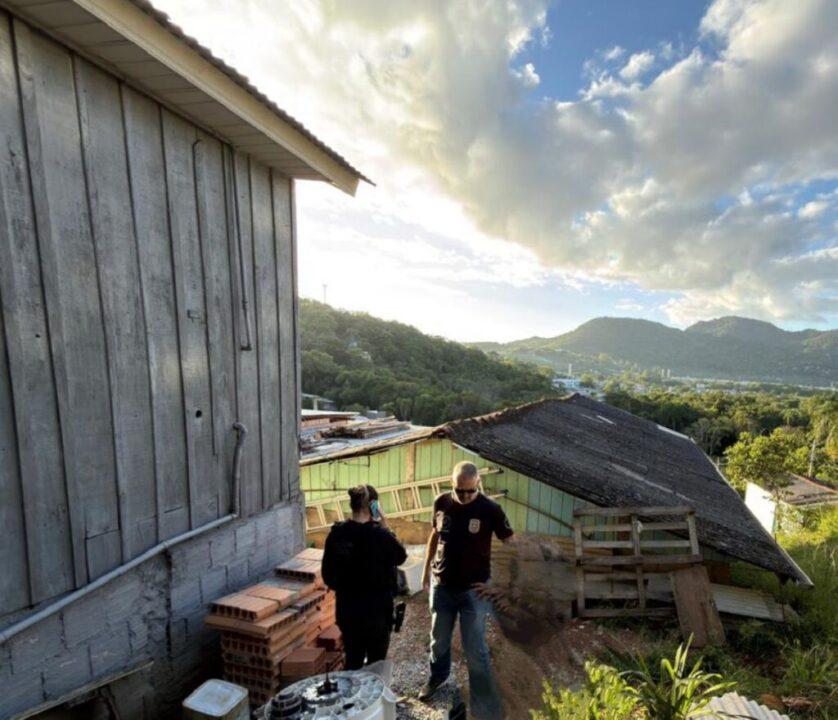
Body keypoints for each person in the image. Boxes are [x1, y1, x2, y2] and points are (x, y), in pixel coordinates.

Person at [419, 461, 513, 719]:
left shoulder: (491, 509)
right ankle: (437, 677)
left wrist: (500, 583)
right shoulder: (441, 502)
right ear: (452, 484)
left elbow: (511, 544)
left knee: (475, 647)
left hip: (475, 592)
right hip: (442, 587)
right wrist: (426, 570)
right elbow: (435, 536)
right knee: (438, 640)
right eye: (459, 490)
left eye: (470, 491)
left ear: (478, 484)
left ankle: (483, 701)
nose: (464, 496)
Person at [321, 484, 407, 670]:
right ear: (374, 506)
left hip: (348, 612)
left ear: (351, 505)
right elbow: (400, 556)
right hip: (377, 614)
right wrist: (385, 524)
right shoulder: (381, 536)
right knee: (376, 665)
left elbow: (328, 576)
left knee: (353, 661)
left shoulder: (337, 535)